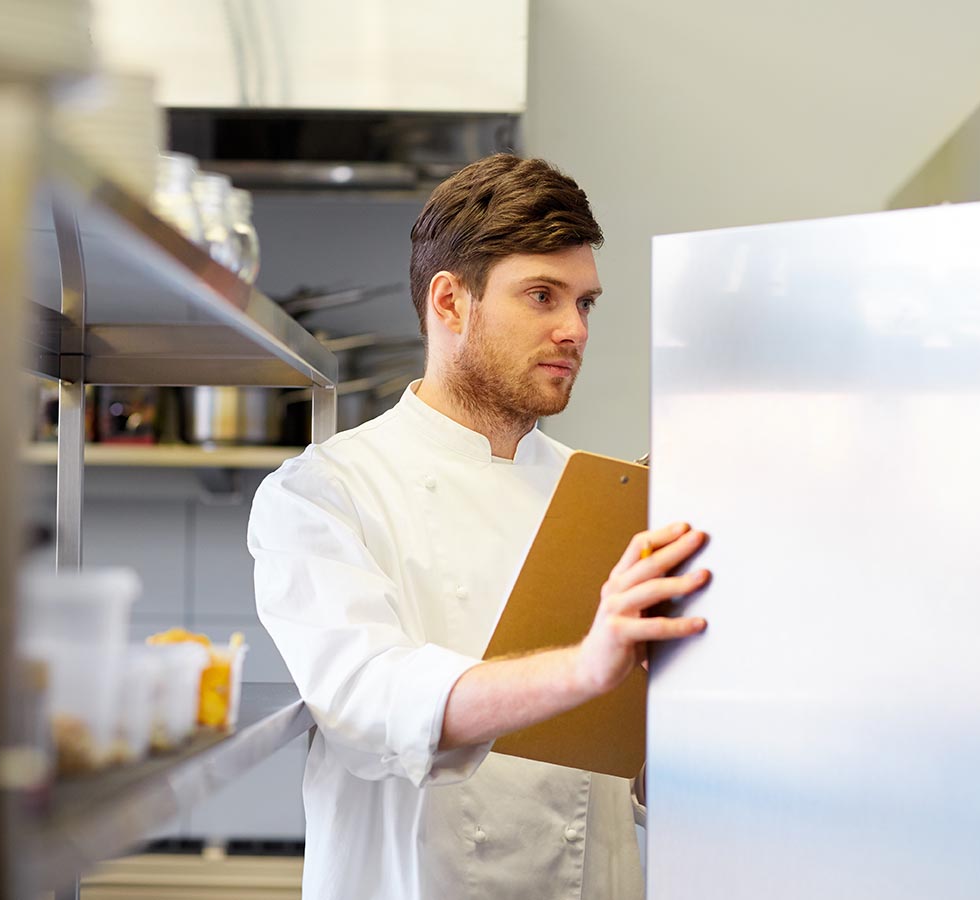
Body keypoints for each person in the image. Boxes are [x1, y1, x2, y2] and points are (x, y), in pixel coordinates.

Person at [248, 153, 710, 900]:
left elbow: (632, 774)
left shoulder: (604, 494)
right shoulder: (324, 493)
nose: (573, 329)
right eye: (542, 295)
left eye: (584, 303)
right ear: (450, 302)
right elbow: (367, 701)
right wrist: (586, 667)